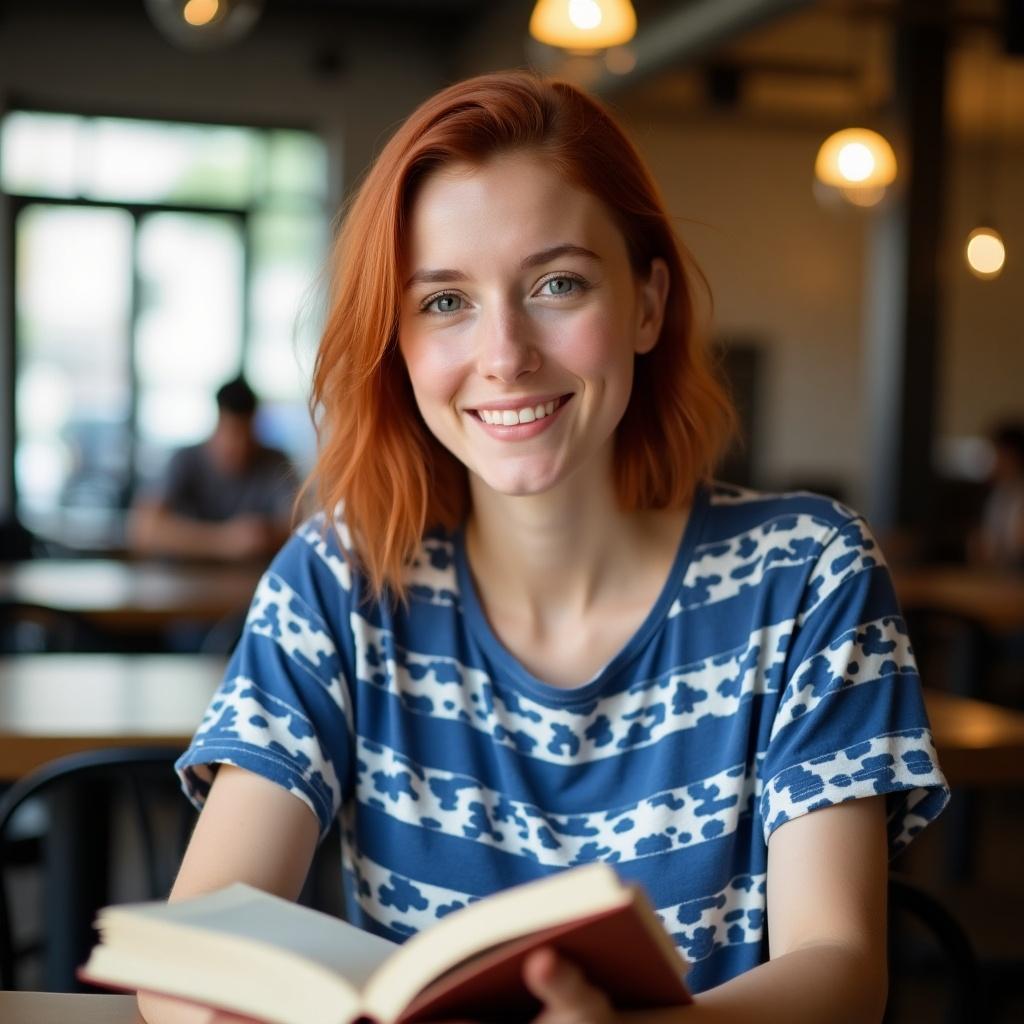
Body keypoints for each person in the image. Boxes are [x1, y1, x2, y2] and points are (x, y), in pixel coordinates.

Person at [141, 71, 948, 1023]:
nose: (506, 353)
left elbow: (842, 967)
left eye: (557, 284)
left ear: (648, 304)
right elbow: (194, 957)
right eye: (444, 301)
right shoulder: (340, 584)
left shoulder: (807, 575)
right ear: (394, 340)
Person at [129, 377, 299, 563]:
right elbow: (143, 530)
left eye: (246, 434)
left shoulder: (275, 461)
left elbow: (298, 528)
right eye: (232, 431)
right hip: (185, 581)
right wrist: (226, 541)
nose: (239, 445)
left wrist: (263, 536)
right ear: (217, 423)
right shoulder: (184, 460)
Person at [970, 422, 1024, 571]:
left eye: (993, 452)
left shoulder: (1019, 495)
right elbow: (989, 549)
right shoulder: (998, 494)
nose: (987, 461)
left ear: (1011, 455)